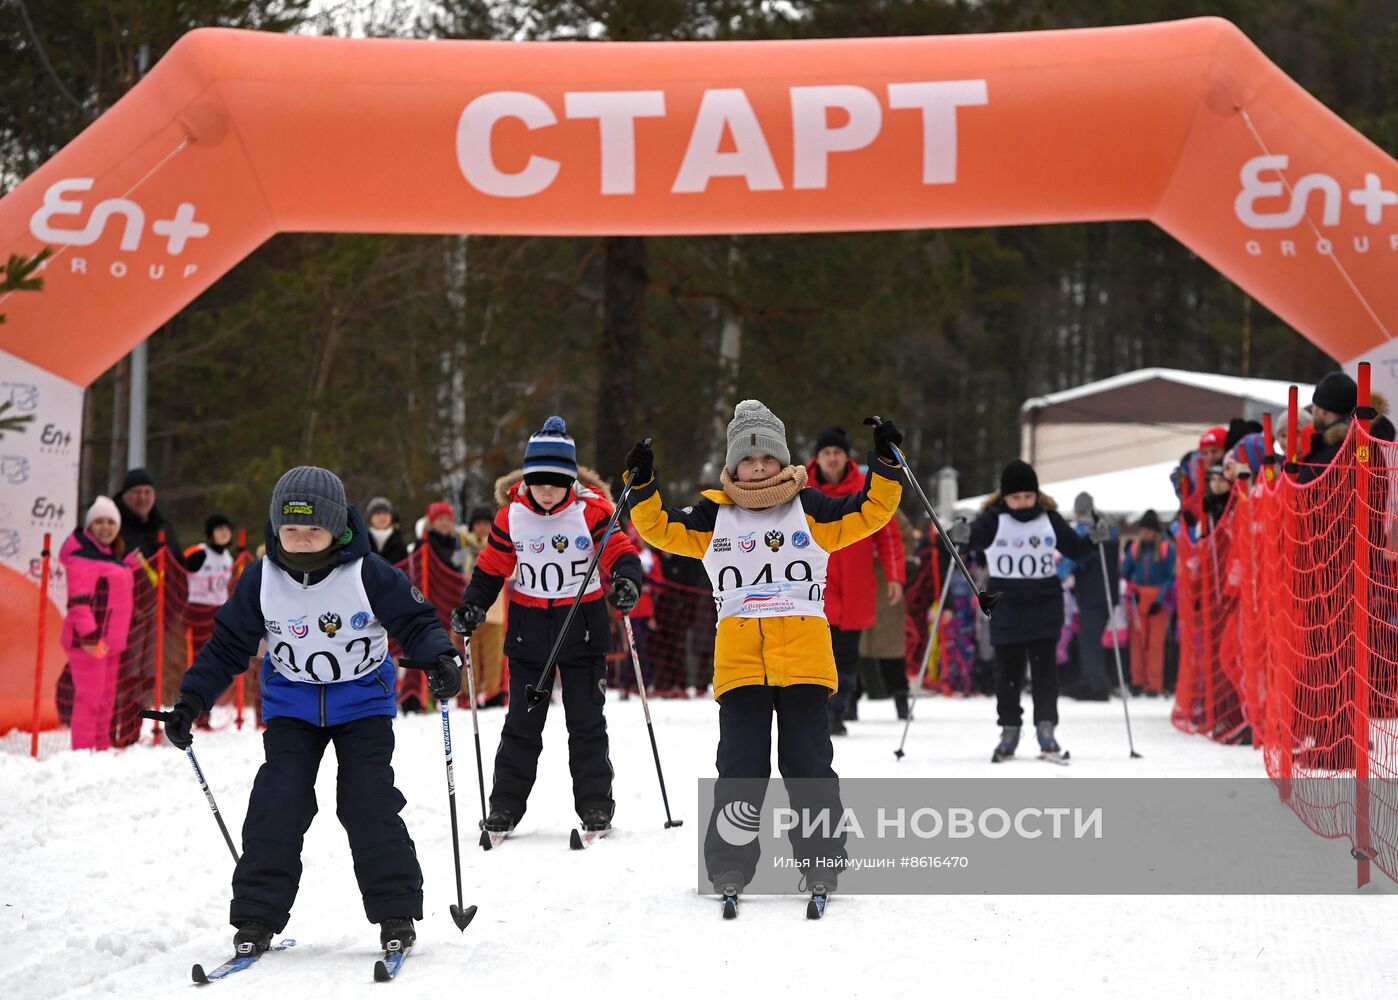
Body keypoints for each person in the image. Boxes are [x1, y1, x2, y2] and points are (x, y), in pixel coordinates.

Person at [164, 466, 461, 957]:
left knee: (366, 799)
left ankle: (396, 911)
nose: (301, 541)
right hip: (292, 707)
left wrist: (440, 658)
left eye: (313, 530)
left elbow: (416, 620)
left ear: (337, 528)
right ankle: (257, 916)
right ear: (276, 528)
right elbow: (226, 646)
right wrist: (191, 701)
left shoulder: (367, 572)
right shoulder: (262, 578)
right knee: (278, 798)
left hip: (362, 703)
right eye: (291, 530)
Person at [624, 400, 904, 904]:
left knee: (810, 766)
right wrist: (644, 485)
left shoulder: (811, 507)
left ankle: (822, 864)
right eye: (747, 461)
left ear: (783, 462)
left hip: (805, 664)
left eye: (767, 460)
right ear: (733, 467)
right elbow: (660, 527)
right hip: (741, 667)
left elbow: (870, 512)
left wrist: (884, 466)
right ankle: (729, 867)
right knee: (741, 768)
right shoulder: (713, 515)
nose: (758, 469)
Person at [450, 416, 642, 838]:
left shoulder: (591, 511)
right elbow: (490, 570)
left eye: (557, 482)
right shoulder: (510, 516)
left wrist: (627, 581)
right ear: (527, 479)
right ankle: (503, 808)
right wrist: (472, 608)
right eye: (539, 481)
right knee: (521, 724)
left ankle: (595, 807)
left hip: (583, 627)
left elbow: (620, 552)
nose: (548, 490)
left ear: (570, 481)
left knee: (586, 723)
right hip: (530, 631)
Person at [967, 459, 1106, 762]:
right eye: (1015, 498)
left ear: (1036, 495)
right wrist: (958, 533)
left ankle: (1046, 728)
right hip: (1005, 605)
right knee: (1008, 673)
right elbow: (966, 541)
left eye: (1028, 497)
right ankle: (1009, 729)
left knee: (1045, 673)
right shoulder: (992, 520)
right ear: (1004, 497)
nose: (1022, 504)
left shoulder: (1049, 519)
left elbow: (1075, 548)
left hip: (1044, 603)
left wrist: (1094, 540)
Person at [805, 426, 905, 733]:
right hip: (817, 582)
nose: (832, 458)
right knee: (820, 651)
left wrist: (895, 576)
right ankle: (820, 708)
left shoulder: (865, 485)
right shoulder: (802, 487)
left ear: (846, 457)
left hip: (857, 582)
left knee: (848, 652)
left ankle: (840, 708)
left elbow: (887, 534)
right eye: (826, 453)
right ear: (817, 458)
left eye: (837, 452)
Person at [59, 497, 134, 751]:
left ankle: (100, 749)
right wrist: (90, 638)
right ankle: (82, 753)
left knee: (105, 701)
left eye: (111, 522)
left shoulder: (110, 557)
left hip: (111, 643)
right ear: (89, 526)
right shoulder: (82, 557)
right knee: (89, 700)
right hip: (89, 643)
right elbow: (79, 604)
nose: (105, 527)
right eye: (99, 521)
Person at [1064, 491, 1118, 702]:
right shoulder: (1108, 528)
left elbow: (1075, 558)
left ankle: (1096, 685)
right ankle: (1090, 680)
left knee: (1089, 642)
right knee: (1091, 640)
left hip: (1092, 594)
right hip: (1105, 593)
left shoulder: (1086, 531)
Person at [1121, 509, 1175, 696]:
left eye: (1149, 531)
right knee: (1137, 642)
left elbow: (1170, 577)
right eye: (1143, 530)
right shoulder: (1135, 549)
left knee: (1155, 644)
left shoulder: (1167, 550)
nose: (1146, 534)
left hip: (1158, 598)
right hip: (1137, 599)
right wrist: (1131, 591)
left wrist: (1159, 599)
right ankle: (1137, 680)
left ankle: (1154, 683)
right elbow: (1124, 573)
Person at [1297, 371, 1358, 484]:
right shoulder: (1368, 447)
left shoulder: (1329, 456)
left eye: (1314, 405)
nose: (1312, 411)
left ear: (1323, 411)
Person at [417, 501, 471, 572]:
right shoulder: (425, 542)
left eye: (448, 519)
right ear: (431, 522)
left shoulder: (456, 541)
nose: (445, 523)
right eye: (440, 519)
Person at [365, 497, 409, 564]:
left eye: (385, 513)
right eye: (378, 513)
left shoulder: (399, 542)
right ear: (370, 517)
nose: (382, 517)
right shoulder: (363, 541)